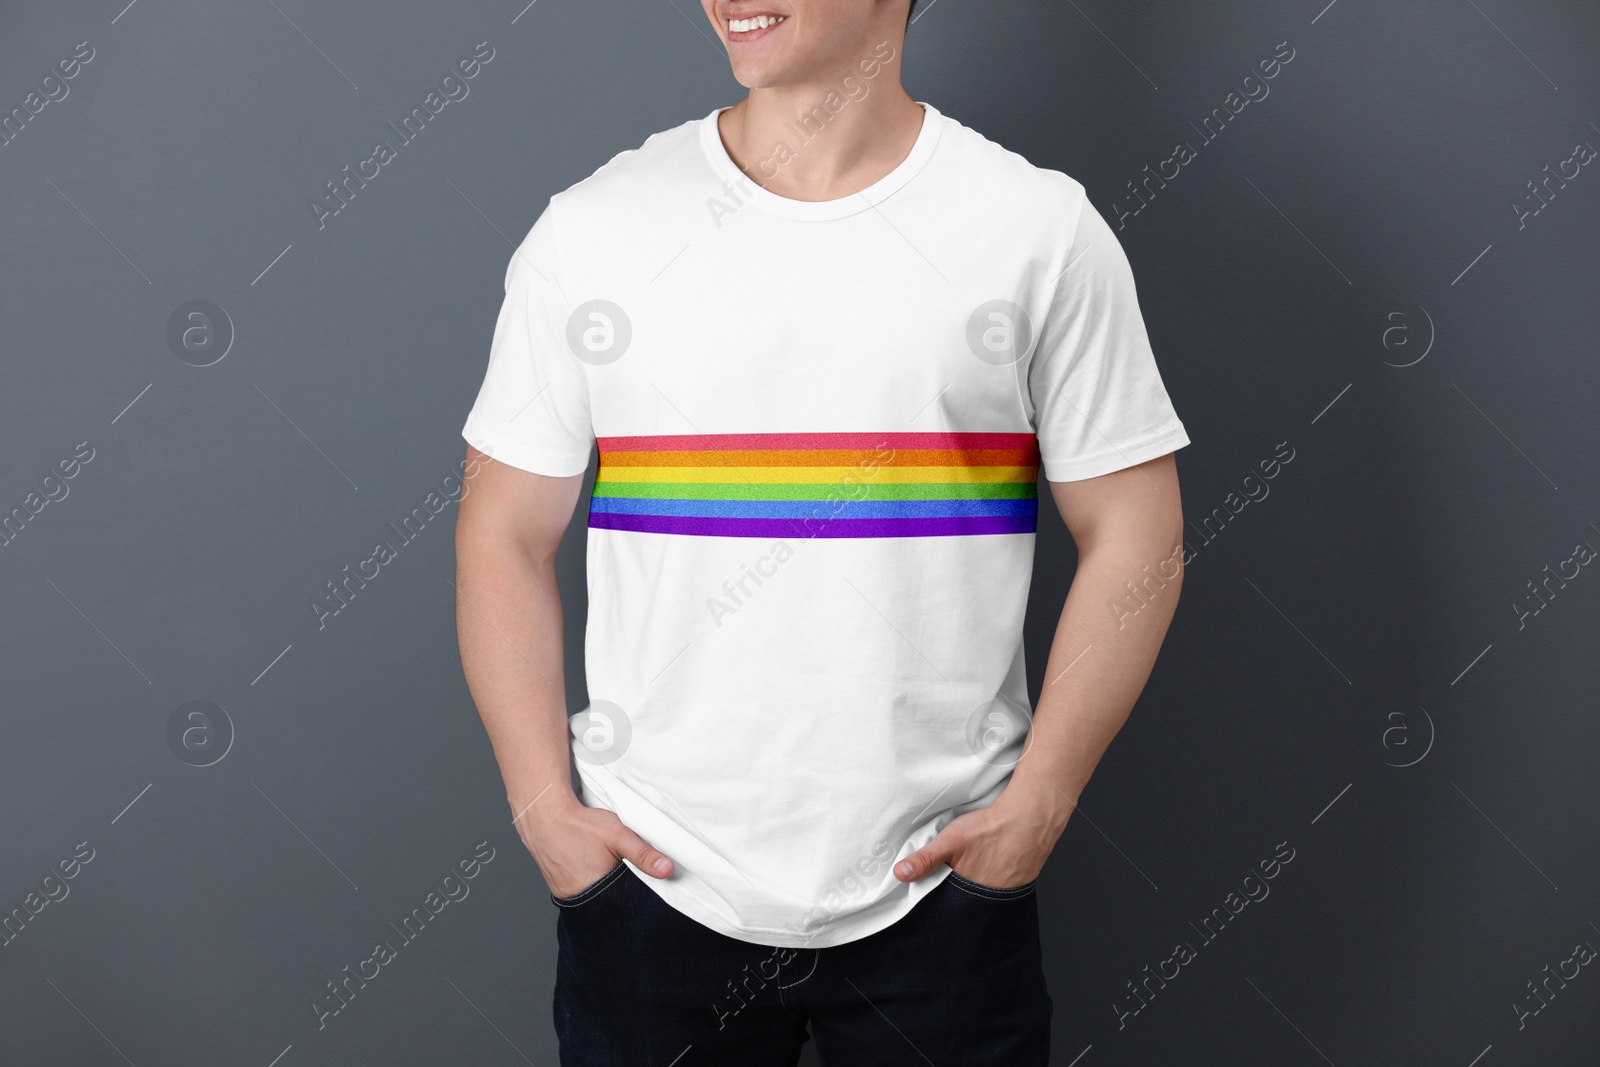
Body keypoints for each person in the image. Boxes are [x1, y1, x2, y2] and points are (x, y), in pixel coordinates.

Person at [455, 0, 1190, 1062]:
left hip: (944, 896)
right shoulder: (594, 230)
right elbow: (502, 533)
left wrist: (1042, 799)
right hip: (653, 887)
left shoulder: (1034, 229)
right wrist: (542, 810)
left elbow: (1136, 529)